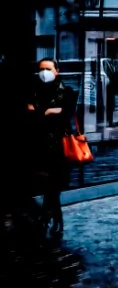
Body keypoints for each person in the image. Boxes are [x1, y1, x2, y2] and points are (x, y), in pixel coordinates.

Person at [26, 59, 76, 239]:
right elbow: (28, 115)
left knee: (54, 184)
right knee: (48, 185)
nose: (44, 72)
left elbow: (65, 114)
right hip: (38, 146)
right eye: (41, 69)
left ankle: (50, 217)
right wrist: (48, 111)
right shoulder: (33, 91)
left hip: (60, 146)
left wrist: (41, 112)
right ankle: (54, 217)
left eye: (48, 69)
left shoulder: (67, 91)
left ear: (57, 71)